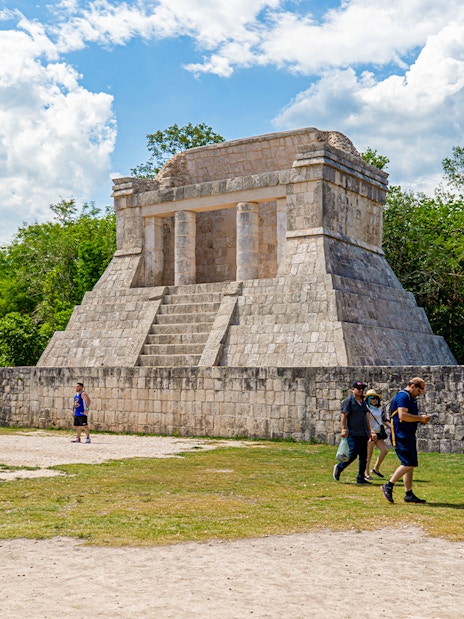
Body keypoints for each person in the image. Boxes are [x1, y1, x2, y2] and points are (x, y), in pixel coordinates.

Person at [381, 377, 431, 504]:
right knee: (409, 463)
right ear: (413, 386)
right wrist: (420, 418)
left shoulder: (411, 398)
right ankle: (389, 485)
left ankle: (408, 493)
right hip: (401, 434)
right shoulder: (403, 397)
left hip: (408, 433)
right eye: (419, 390)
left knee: (409, 464)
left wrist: (420, 419)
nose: (420, 393)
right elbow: (403, 415)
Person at [333, 380, 377, 485]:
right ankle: (339, 467)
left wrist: (370, 431)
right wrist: (343, 429)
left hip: (363, 433)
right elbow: (344, 415)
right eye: (359, 389)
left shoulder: (363, 402)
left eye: (362, 389)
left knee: (363, 457)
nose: (361, 391)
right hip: (352, 433)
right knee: (352, 454)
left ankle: (360, 477)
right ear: (353, 389)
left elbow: (367, 417)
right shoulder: (349, 401)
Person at [364, 389, 389, 480]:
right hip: (371, 434)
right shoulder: (366, 408)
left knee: (384, 450)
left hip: (379, 433)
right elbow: (366, 422)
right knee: (368, 454)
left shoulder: (378, 408)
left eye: (376, 398)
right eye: (372, 398)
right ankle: (366, 473)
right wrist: (371, 431)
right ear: (368, 399)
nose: (375, 400)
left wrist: (391, 427)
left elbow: (382, 420)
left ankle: (376, 469)